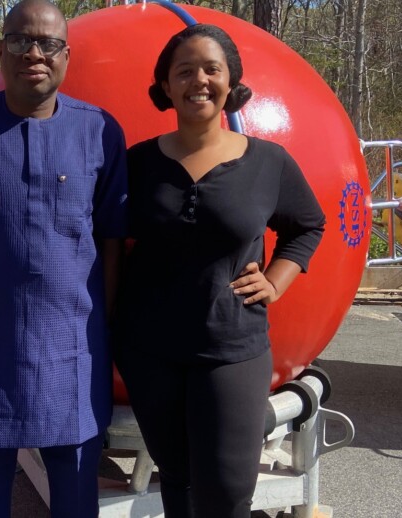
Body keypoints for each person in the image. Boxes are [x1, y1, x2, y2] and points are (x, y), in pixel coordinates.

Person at [114, 24, 326, 518]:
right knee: (179, 488)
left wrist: (276, 280)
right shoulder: (137, 164)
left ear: (232, 83)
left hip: (232, 348)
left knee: (228, 493)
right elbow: (105, 242)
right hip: (149, 349)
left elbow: (308, 226)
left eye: (212, 69)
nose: (199, 81)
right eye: (183, 71)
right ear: (165, 86)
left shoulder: (268, 162)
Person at [0, 0, 127, 516]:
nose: (34, 53)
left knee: (77, 496)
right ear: (1, 51)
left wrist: (102, 320)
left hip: (72, 348)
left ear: (66, 55)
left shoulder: (100, 131)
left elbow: (111, 235)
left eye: (48, 43)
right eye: (20, 40)